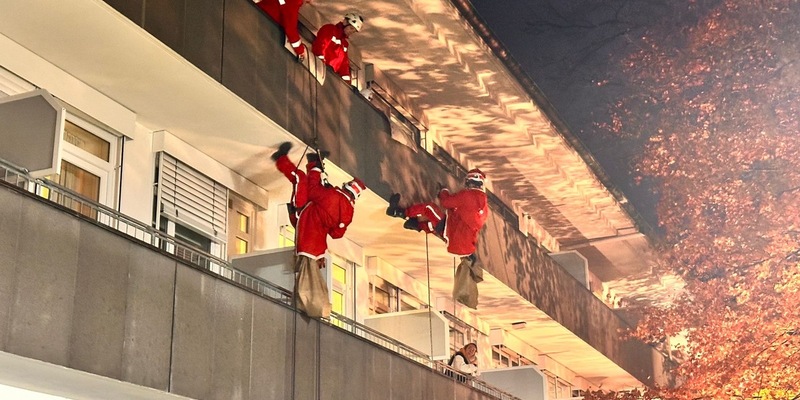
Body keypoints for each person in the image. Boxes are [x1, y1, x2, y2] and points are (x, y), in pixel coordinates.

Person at [271, 142, 366, 317]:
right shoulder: (349, 212)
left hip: (304, 215)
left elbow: (314, 190)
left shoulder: (333, 196)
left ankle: (283, 159)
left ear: (347, 186)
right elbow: (337, 234)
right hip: (313, 230)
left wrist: (317, 173)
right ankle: (311, 161)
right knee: (301, 179)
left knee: (300, 177)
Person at [386, 168, 489, 260]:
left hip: (454, 235)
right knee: (437, 224)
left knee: (429, 209)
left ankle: (399, 212)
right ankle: (418, 225)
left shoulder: (468, 195)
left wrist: (443, 191)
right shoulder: (484, 207)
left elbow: (446, 203)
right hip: (460, 243)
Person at [312, 11, 365, 82]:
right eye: (351, 28)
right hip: (320, 71)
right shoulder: (330, 29)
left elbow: (344, 65)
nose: (351, 32)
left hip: (331, 78)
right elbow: (320, 45)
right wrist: (320, 62)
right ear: (345, 22)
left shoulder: (344, 44)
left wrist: (347, 83)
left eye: (353, 31)